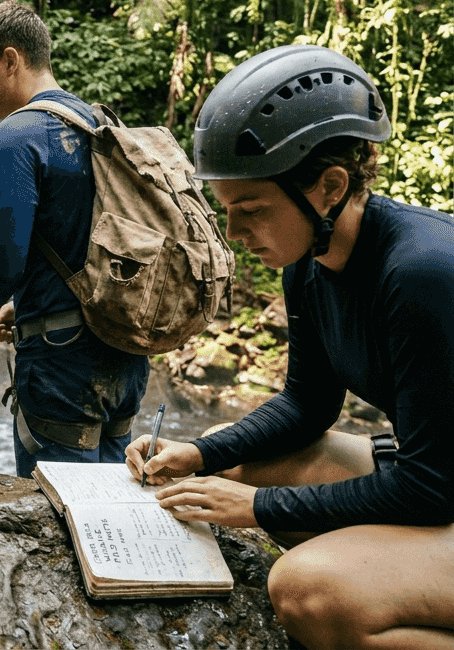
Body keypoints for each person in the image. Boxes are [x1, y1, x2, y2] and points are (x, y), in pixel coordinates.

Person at [127, 44, 454, 649]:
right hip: (437, 478)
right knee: (249, 470)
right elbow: (308, 403)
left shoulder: (423, 273)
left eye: (250, 210)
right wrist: (201, 453)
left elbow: (432, 485)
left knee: (305, 589)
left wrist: (260, 508)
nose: (234, 234)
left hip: (439, 484)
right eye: (226, 211)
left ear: (330, 187)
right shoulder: (309, 262)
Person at [0, 0, 148, 478]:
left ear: (11, 60)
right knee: (113, 499)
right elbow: (97, 243)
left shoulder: (15, 136)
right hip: (123, 351)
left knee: (61, 513)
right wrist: (23, 304)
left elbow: (2, 256)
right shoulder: (100, 125)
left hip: (62, 363)